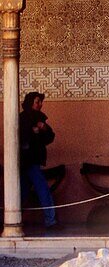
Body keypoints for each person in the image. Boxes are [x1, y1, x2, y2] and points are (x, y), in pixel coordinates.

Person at [19, 91, 58, 229]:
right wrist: (32, 133)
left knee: (22, 193)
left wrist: (44, 129)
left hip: (32, 161)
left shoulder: (39, 118)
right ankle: (50, 220)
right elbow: (19, 138)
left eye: (40, 102)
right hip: (28, 161)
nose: (40, 105)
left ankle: (12, 220)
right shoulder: (22, 119)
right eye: (37, 102)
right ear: (30, 103)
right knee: (42, 189)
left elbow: (50, 137)